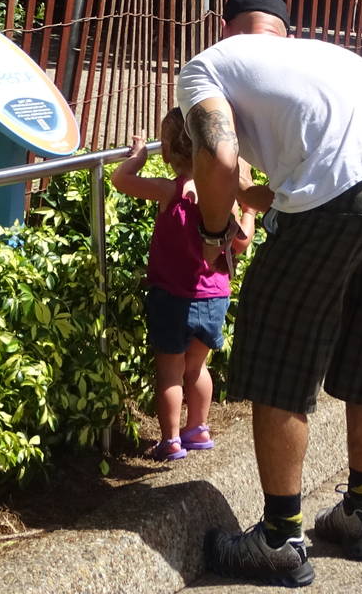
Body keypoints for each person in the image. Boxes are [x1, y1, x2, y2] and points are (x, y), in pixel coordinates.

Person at [178, 0, 362, 587]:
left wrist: (213, 231)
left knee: (278, 350)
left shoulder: (209, 64)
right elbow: (339, 156)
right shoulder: (328, 55)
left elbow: (217, 153)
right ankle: (361, 512)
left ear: (225, 28)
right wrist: (255, 195)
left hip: (342, 201)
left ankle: (279, 538)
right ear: (284, 32)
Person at [109, 108, 256, 462]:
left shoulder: (168, 191)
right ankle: (199, 428)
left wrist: (137, 158)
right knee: (197, 368)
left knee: (170, 373)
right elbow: (241, 243)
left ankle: (171, 440)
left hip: (171, 298)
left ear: (168, 152)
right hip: (213, 297)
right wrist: (249, 210)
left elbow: (120, 180)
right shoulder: (220, 198)